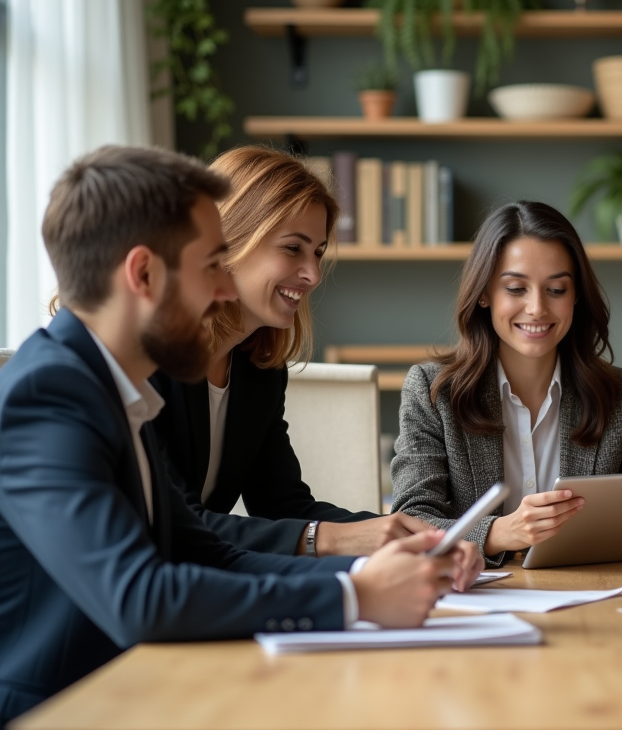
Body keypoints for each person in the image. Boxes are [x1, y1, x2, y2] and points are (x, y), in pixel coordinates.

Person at [0, 146, 476, 724]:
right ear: (144, 274)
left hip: (144, 687)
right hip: (66, 707)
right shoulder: (50, 394)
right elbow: (139, 597)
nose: (223, 292)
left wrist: (379, 574)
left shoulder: (117, 388)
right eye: (211, 266)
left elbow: (213, 555)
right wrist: (355, 597)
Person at [149, 146, 472, 563]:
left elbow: (285, 506)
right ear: (228, 239)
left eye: (317, 252)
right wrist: (336, 540)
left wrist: (407, 536)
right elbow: (170, 522)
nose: (313, 275)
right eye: (292, 248)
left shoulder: (257, 372)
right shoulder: (150, 362)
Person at [391, 200, 622, 567]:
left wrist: (566, 539)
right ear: (484, 294)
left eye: (556, 290)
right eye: (515, 288)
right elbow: (411, 523)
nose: (537, 309)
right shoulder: (432, 392)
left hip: (590, 600)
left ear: (575, 296)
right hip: (476, 605)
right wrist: (501, 533)